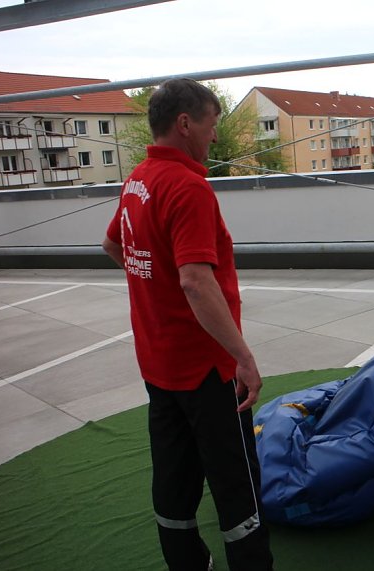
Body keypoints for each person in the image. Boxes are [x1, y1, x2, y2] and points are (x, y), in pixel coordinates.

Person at [102, 79, 274, 571]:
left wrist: (157, 290)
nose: (214, 137)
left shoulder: (138, 180)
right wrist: (243, 356)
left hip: (158, 364)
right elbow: (197, 282)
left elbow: (114, 245)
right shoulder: (188, 187)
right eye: (211, 124)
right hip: (205, 370)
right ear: (185, 124)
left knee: (173, 479)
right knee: (237, 485)